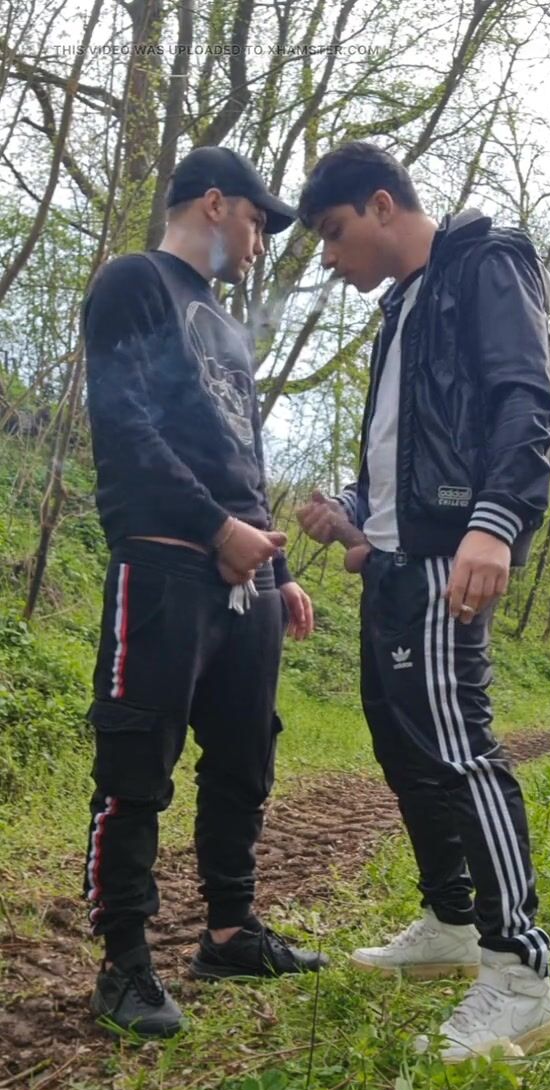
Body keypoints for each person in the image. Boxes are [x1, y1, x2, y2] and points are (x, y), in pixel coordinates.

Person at [297, 142, 550, 1062]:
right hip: (394, 566)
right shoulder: (401, 307)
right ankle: (452, 923)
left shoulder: (483, 263)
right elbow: (409, 451)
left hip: (452, 557)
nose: (329, 258)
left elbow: (525, 400)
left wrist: (495, 522)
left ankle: (520, 973)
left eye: (333, 233)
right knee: (406, 749)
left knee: (460, 753)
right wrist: (354, 516)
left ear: (382, 205)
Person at [83, 146, 324, 1039]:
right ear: (214, 204)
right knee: (137, 761)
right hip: (163, 564)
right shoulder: (133, 283)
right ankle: (123, 963)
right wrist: (216, 531)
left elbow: (244, 458)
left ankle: (229, 932)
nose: (260, 244)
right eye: (258, 223)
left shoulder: (225, 326)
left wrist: (278, 571)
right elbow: (125, 425)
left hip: (244, 576)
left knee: (244, 757)